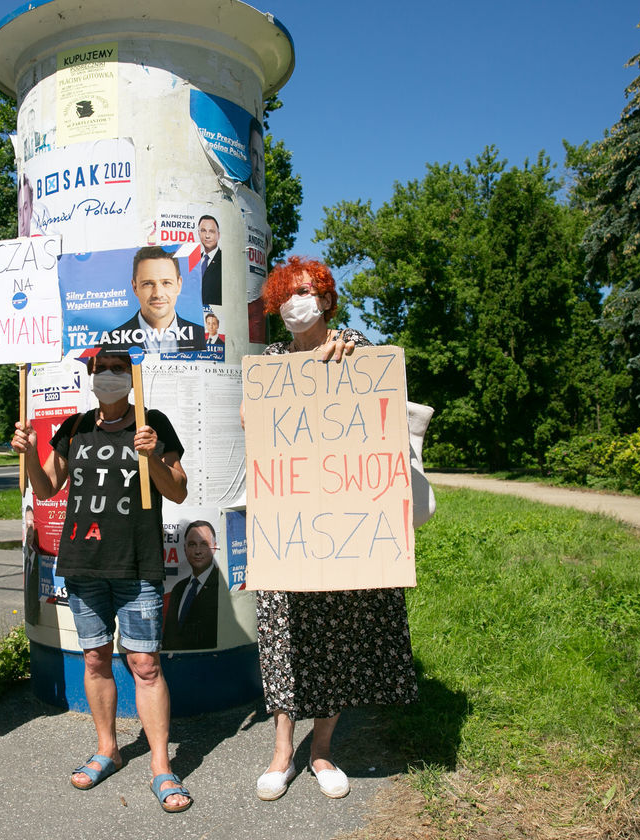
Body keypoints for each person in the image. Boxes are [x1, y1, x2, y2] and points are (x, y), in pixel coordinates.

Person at [251, 258, 418, 801]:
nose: (298, 301)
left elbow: (385, 400)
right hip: (287, 525)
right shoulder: (270, 362)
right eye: (288, 294)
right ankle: (282, 753)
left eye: (307, 291)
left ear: (325, 299)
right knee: (282, 638)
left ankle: (321, 751)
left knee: (334, 641)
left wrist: (345, 367)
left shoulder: (355, 347)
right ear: (277, 307)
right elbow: (253, 423)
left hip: (339, 531)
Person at [10, 349, 194, 813]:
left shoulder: (153, 422)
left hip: (136, 562)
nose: (107, 376)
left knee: (145, 665)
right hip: (83, 562)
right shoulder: (74, 427)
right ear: (89, 378)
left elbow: (177, 489)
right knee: (94, 658)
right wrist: (32, 453)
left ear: (131, 378)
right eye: (100, 370)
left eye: (117, 369)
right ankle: (107, 749)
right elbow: (49, 487)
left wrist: (152, 457)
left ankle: (160, 767)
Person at [102, 246, 206, 354]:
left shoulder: (203, 337)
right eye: (148, 283)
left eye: (166, 283)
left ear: (179, 285)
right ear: (135, 288)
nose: (158, 294)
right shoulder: (107, 344)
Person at [162, 520, 220, 651]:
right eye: (192, 544)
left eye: (204, 544)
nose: (198, 551)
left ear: (215, 547)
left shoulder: (221, 587)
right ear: (185, 548)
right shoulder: (178, 589)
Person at [197, 215, 222, 307]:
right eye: (203, 231)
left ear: (218, 235)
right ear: (199, 233)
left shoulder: (224, 260)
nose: (207, 236)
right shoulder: (194, 260)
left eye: (211, 231)